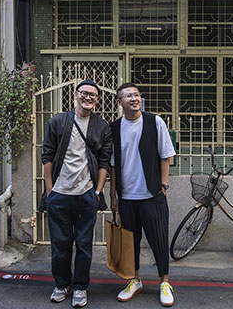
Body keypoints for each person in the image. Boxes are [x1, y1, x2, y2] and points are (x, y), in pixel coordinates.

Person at [39, 79, 112, 308]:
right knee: (60, 245)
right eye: (85, 93)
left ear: (97, 100)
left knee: (83, 245)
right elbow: (47, 156)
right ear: (76, 94)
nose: (88, 97)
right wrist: (50, 190)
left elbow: (104, 162)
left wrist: (98, 191)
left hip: (86, 195)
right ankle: (62, 284)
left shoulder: (102, 126)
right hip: (59, 195)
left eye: (93, 95)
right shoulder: (58, 122)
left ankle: (80, 287)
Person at [110, 82, 176, 307]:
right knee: (131, 243)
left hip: (152, 194)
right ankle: (134, 280)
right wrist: (113, 196)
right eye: (128, 96)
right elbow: (112, 165)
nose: (134, 98)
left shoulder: (154, 121)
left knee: (159, 239)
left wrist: (163, 185)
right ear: (120, 102)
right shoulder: (115, 127)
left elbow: (166, 155)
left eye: (136, 94)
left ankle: (164, 282)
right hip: (127, 196)